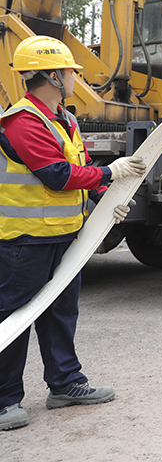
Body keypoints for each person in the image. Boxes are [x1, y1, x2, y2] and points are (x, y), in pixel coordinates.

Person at [0, 36, 146, 431]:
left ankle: (65, 384)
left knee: (61, 312)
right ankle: (3, 400)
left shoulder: (65, 118)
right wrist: (109, 172)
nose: (74, 77)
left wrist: (104, 197)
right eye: (69, 71)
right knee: (15, 315)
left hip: (66, 234)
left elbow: (78, 171)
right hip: (25, 240)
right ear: (52, 75)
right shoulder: (22, 121)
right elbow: (57, 174)